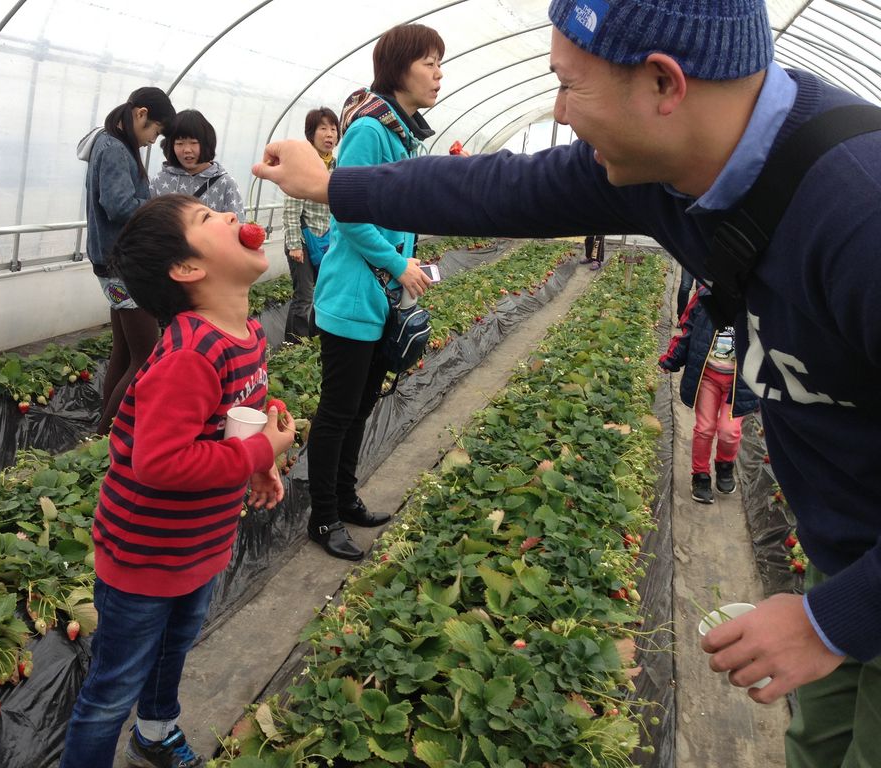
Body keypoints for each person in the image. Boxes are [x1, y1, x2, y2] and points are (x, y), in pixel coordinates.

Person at [253, 1, 881, 764]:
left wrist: (835, 621)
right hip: (839, 549)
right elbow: (498, 188)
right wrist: (334, 188)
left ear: (663, 83)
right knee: (820, 744)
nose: (556, 110)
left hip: (858, 586)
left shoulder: (859, 211)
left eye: (568, 85)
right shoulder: (665, 168)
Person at [59, 194, 296, 768]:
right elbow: (160, 463)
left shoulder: (248, 335)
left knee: (172, 652)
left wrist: (260, 463)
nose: (229, 216)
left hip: (199, 545)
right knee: (113, 686)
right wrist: (262, 447)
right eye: (207, 219)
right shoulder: (191, 353)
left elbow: (236, 420)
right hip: (145, 555)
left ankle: (155, 732)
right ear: (188, 270)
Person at [304, 23, 437, 561]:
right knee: (338, 411)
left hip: (379, 297)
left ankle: (344, 497)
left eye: (438, 63)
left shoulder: (399, 131)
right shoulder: (368, 129)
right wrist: (398, 265)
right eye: (429, 61)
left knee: (360, 407)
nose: (438, 73)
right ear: (400, 66)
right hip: (353, 297)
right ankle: (323, 517)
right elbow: (348, 210)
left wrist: (403, 263)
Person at [78, 87, 176, 435]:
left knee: (124, 348)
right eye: (155, 130)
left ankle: (102, 429)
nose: (153, 140)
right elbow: (118, 205)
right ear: (140, 114)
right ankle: (104, 436)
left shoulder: (107, 142)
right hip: (123, 269)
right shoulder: (115, 148)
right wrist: (158, 212)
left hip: (110, 267)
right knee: (145, 355)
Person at [659, 286, 757, 504]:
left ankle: (725, 464)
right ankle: (700, 475)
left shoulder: (760, 301)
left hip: (738, 382)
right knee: (704, 428)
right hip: (708, 376)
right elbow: (689, 330)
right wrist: (672, 358)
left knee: (729, 431)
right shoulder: (706, 296)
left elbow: (773, 342)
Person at [281, 107, 339, 342]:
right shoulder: (302, 164)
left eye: (333, 129)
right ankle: (294, 346)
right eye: (323, 128)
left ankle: (313, 342)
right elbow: (291, 209)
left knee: (322, 293)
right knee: (304, 296)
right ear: (311, 134)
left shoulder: (337, 167)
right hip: (303, 241)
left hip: (325, 240)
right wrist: (295, 244)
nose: (329, 134)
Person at [149, 109, 246, 219]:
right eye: (179, 143)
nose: (187, 150)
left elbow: (237, 225)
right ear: (171, 147)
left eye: (194, 143)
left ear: (206, 143)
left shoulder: (225, 183)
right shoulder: (160, 181)